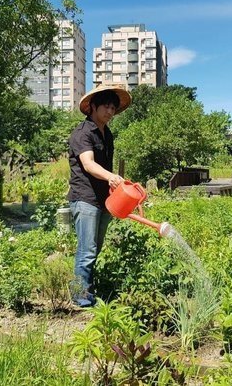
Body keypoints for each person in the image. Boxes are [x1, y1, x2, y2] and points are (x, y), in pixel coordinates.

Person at [67, 84, 132, 307]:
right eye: (106, 106)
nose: (110, 112)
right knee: (87, 250)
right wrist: (112, 177)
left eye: (113, 108)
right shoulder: (82, 133)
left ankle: (87, 290)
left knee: (95, 247)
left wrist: (115, 186)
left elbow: (105, 166)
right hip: (85, 198)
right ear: (93, 107)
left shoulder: (107, 134)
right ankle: (80, 297)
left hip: (103, 200)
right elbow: (88, 164)